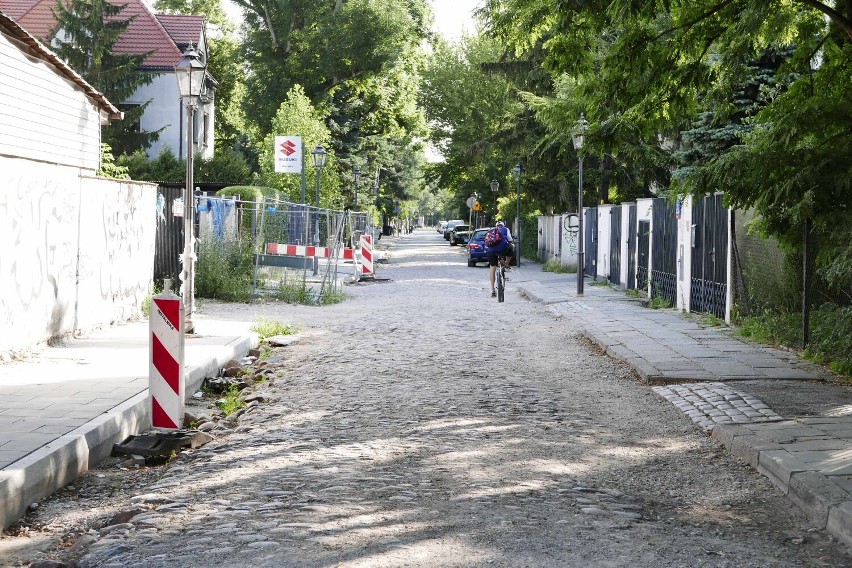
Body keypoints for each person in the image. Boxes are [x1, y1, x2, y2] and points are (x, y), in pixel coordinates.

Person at [485, 220, 514, 297]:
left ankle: (492, 289)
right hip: (503, 249)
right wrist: (511, 242)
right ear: (503, 225)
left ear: (496, 226)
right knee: (511, 249)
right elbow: (510, 240)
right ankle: (506, 264)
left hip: (491, 251)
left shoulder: (491, 230)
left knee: (492, 267)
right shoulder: (506, 229)